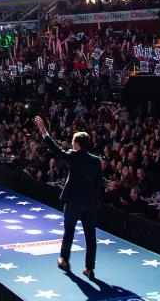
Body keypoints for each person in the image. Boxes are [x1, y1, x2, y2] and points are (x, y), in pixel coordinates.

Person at [34, 115, 103, 278]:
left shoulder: (73, 156)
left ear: (77, 144)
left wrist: (44, 131)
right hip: (90, 205)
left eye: (73, 142)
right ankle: (89, 268)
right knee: (90, 237)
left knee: (69, 232)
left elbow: (56, 150)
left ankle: (64, 259)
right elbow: (99, 184)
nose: (71, 144)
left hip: (73, 203)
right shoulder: (96, 161)